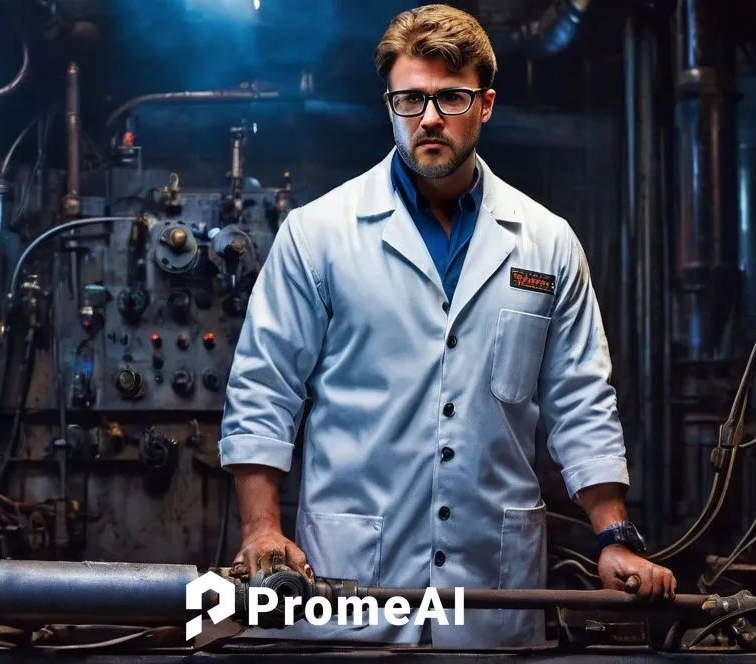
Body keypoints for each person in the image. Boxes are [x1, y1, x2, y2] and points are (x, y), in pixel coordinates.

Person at [217, 3, 676, 648]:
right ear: (390, 106)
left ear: (485, 104)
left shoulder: (546, 242)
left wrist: (613, 536)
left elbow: (580, 399)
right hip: (354, 576)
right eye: (410, 100)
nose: (429, 117)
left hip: (492, 582)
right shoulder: (318, 234)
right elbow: (265, 388)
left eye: (450, 98)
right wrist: (261, 529)